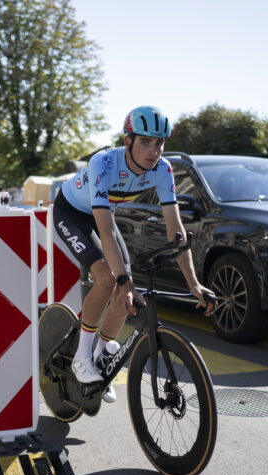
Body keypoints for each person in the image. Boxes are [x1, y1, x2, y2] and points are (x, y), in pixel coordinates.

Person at [52, 105, 216, 402]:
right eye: (145, 142)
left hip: (103, 218)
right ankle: (81, 358)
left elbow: (176, 232)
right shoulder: (102, 163)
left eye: (159, 143)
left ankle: (101, 355)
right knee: (107, 278)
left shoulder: (163, 170)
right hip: (72, 213)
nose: (153, 151)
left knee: (127, 291)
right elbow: (104, 230)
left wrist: (194, 283)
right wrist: (121, 278)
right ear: (127, 140)